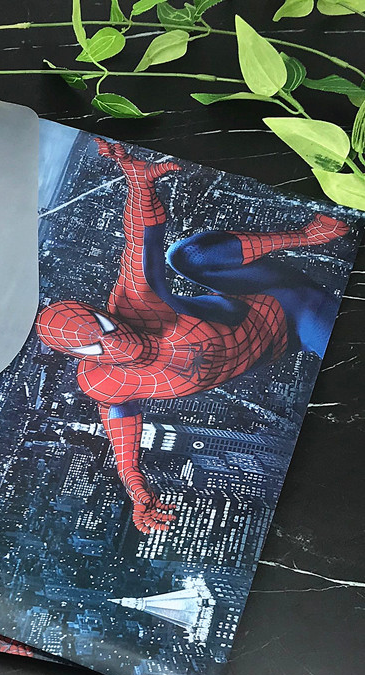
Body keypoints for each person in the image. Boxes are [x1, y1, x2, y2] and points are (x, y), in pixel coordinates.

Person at [36, 139, 349, 533]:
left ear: (106, 313)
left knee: (184, 256)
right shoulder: (105, 382)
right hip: (295, 338)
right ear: (85, 357)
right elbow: (120, 424)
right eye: (94, 345)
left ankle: (309, 234)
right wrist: (135, 485)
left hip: (283, 301)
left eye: (105, 326)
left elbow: (141, 240)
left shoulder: (138, 302)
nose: (114, 341)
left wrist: (140, 183)